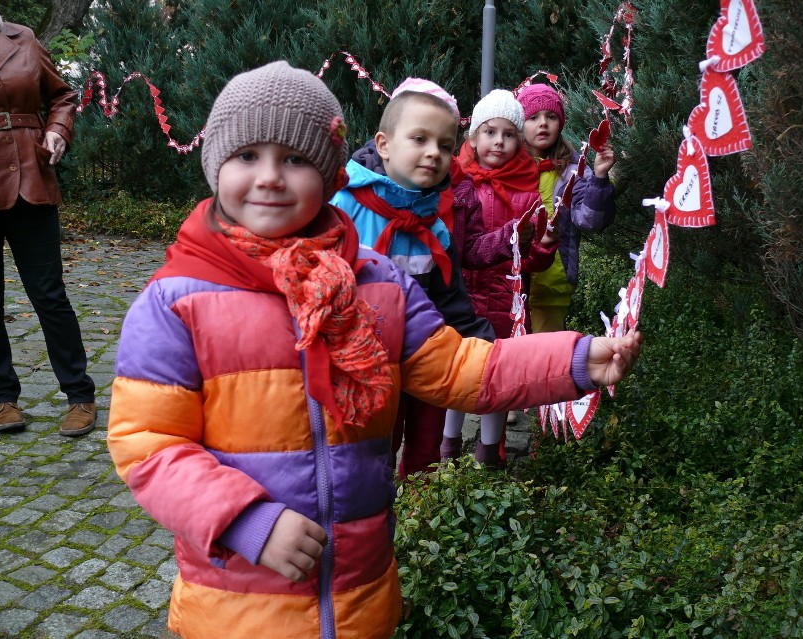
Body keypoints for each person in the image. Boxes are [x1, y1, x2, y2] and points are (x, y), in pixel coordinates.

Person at [105, 60, 643, 639]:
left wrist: (571, 360)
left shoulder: (378, 283)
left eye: (295, 159)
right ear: (215, 166)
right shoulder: (177, 301)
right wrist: (246, 520)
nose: (269, 178)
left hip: (362, 596)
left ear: (333, 173)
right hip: (236, 603)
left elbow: (463, 368)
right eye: (246, 157)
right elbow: (149, 443)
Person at [329, 79, 498, 478]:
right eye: (419, 138)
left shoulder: (434, 224)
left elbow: (449, 298)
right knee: (371, 454)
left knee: (427, 449)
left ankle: (421, 520)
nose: (433, 153)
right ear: (383, 144)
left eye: (443, 145)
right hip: (363, 367)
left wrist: (486, 345)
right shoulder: (343, 207)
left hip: (423, 357)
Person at [0, 0, 96, 436]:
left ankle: (80, 396)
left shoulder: (23, 38)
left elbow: (63, 95)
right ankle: (3, 398)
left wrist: (57, 129)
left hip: (31, 179)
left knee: (49, 295)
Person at [442, 89, 558, 468]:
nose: (499, 142)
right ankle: (447, 445)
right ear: (473, 138)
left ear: (518, 140)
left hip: (506, 304)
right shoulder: (459, 185)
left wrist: (543, 245)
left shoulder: (528, 192)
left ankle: (489, 452)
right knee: (457, 375)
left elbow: (532, 263)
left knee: (498, 376)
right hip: (461, 301)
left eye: (508, 134)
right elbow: (458, 248)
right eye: (490, 132)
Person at [516, 82, 617, 333]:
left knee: (544, 362)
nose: (543, 123)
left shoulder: (573, 172)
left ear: (560, 123)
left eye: (551, 116)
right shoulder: (510, 169)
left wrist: (600, 178)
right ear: (519, 125)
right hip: (511, 284)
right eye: (533, 117)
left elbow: (590, 220)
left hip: (552, 286)